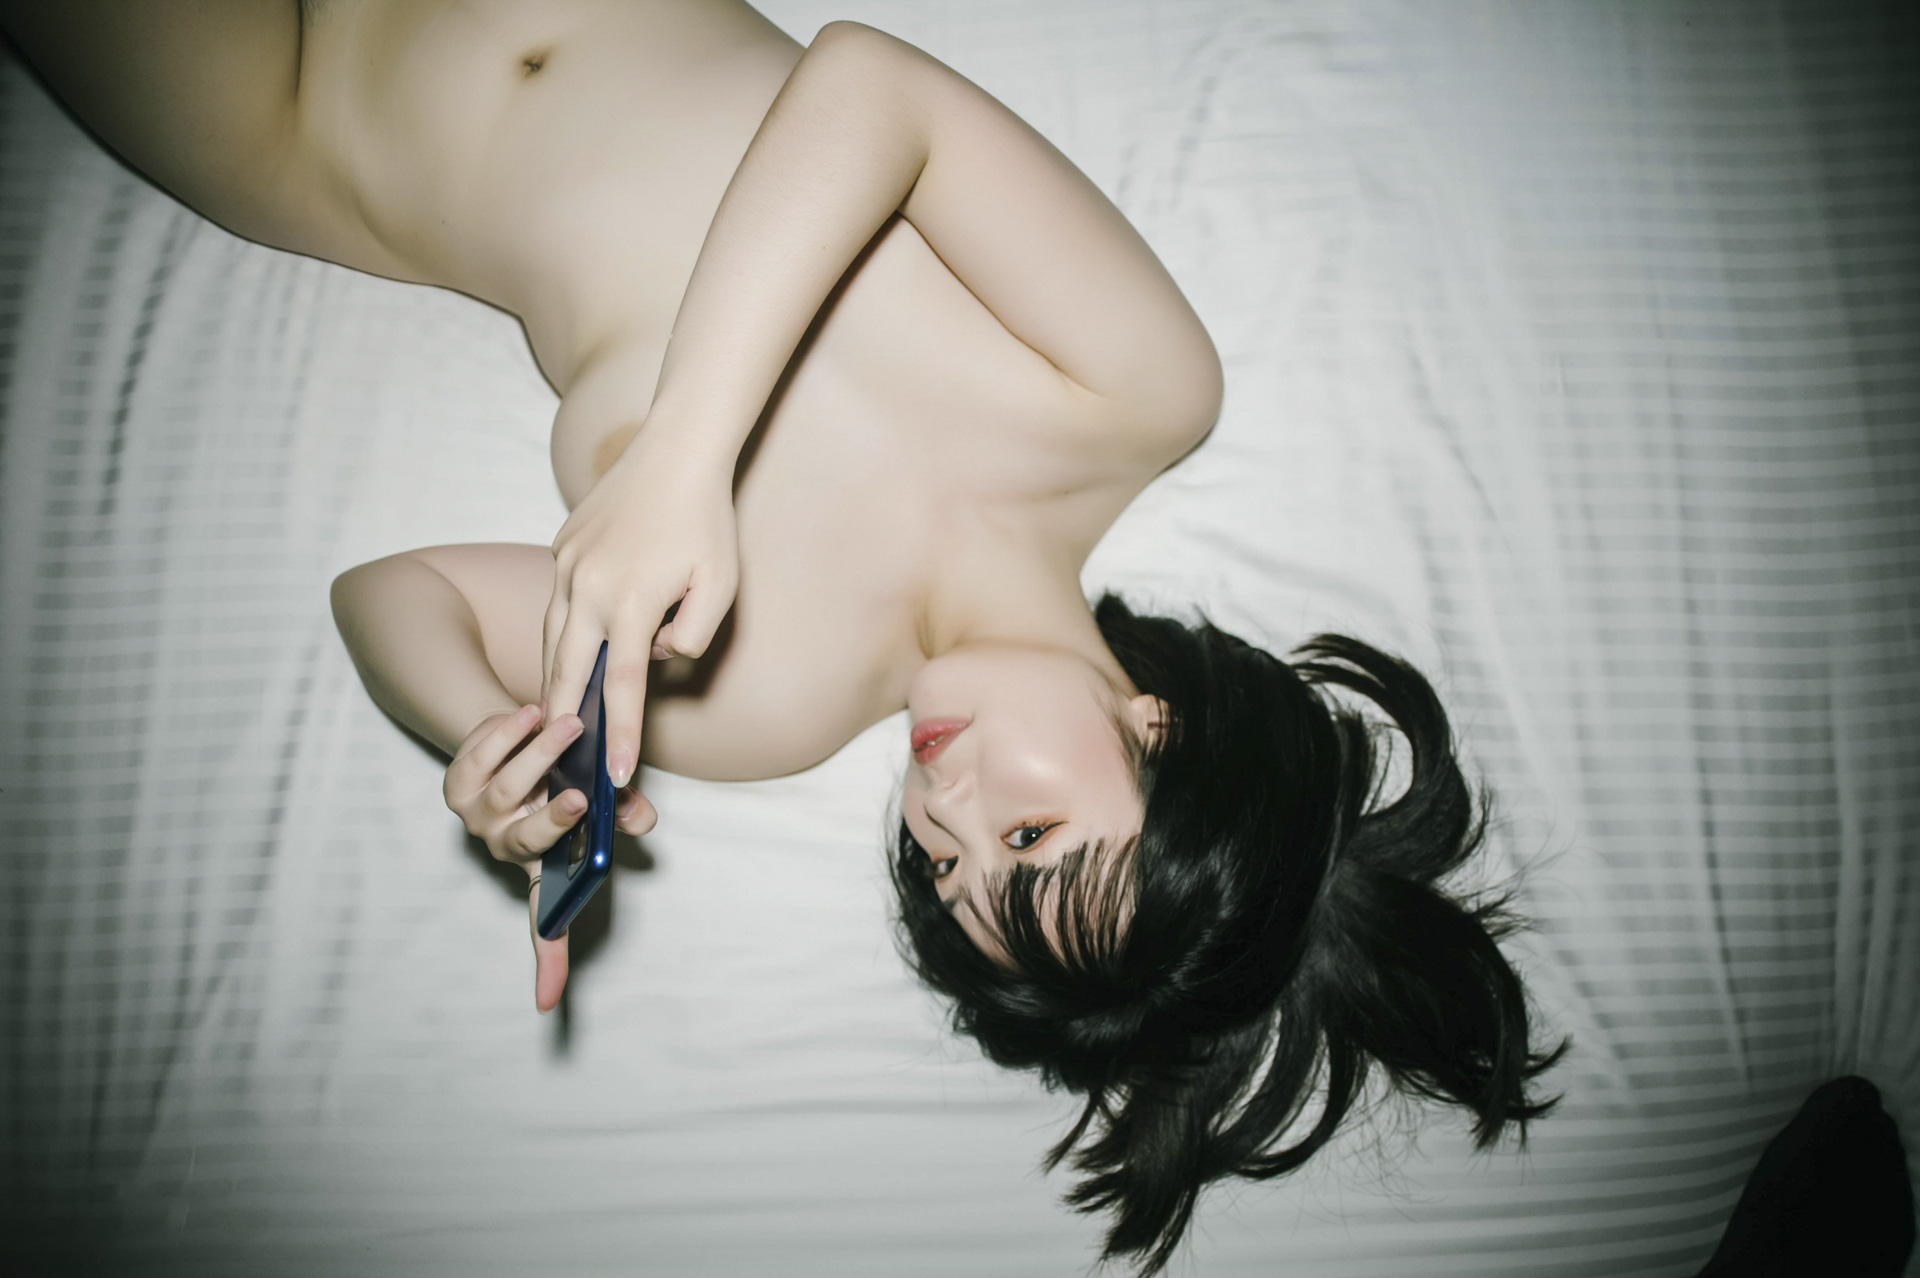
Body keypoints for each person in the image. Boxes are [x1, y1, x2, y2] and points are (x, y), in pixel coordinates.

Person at [0, 3, 1564, 1269]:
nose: (948, 817)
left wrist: (485, 736)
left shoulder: (775, 701)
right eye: (1029, 836)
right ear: (1163, 734)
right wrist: (686, 455)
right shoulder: (1131, 397)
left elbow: (394, 594)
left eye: (956, 877)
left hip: (307, 137)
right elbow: (870, 85)